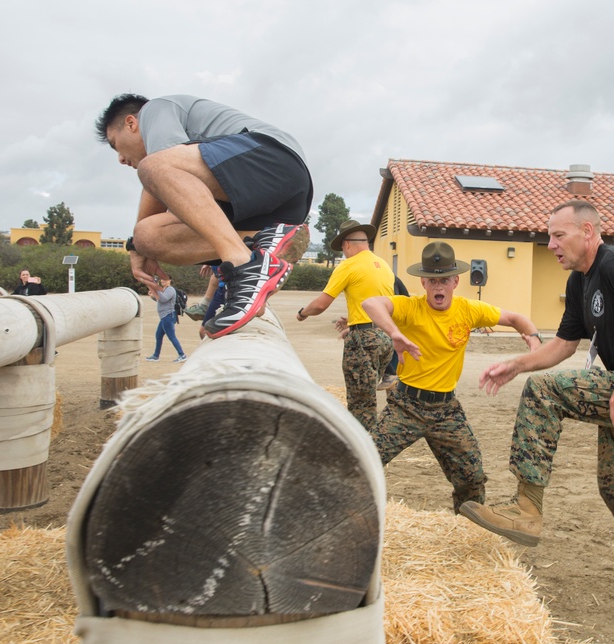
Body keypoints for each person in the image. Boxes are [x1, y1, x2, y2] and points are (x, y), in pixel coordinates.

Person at [459, 200, 614, 625]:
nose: (550, 243)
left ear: (588, 232)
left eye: (558, 235)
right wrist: (516, 365)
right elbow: (564, 345)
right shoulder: (579, 282)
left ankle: (527, 510)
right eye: (549, 235)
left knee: (545, 392)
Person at [94, 93, 313, 339]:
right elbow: (164, 191)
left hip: (273, 161)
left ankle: (245, 266)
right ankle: (266, 243)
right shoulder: (179, 162)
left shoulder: (155, 109)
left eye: (115, 144)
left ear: (131, 123)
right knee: (149, 236)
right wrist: (140, 247)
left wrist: (136, 251)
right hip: (269, 208)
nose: (121, 159)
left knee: (151, 166)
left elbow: (158, 168)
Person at [362, 241, 539, 513]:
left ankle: (467, 528)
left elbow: (515, 318)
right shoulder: (411, 308)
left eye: (444, 279)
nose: (438, 286)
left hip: (446, 411)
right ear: (423, 282)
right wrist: (395, 333)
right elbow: (371, 303)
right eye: (432, 281)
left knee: (472, 478)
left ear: (456, 281)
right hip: (406, 407)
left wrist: (533, 340)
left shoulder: (469, 310)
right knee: (365, 461)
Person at [296, 220, 395, 432]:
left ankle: (365, 450)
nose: (343, 252)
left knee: (361, 407)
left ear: (347, 244)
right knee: (367, 397)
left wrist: (302, 313)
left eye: (342, 247)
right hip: (385, 338)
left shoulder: (349, 266)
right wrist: (353, 322)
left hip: (364, 342)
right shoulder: (383, 265)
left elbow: (321, 305)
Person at [376, 275, 409, 391]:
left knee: (394, 371)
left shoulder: (387, 278)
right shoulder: (383, 276)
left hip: (397, 326)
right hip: (394, 326)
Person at [145, 278, 188, 363]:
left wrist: (156, 288)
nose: (163, 281)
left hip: (168, 316)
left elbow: (164, 299)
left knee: (171, 336)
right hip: (164, 316)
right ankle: (156, 356)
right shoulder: (164, 289)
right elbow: (159, 299)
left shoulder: (170, 289)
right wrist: (152, 293)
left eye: (165, 279)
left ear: (170, 280)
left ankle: (182, 355)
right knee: (158, 335)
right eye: (162, 280)